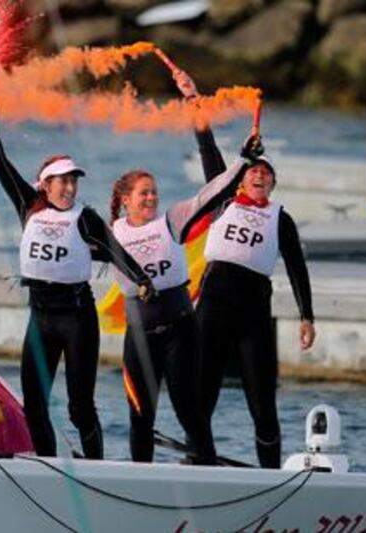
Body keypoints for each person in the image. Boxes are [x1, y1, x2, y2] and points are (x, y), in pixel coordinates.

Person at [0, 93, 156, 459]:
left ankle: (95, 468)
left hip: (77, 318)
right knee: (35, 404)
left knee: (80, 408)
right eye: (63, 181)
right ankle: (46, 465)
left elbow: (114, 252)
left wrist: (141, 279)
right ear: (45, 184)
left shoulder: (85, 217)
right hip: (40, 319)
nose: (70, 188)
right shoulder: (28, 206)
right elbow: (0, 164)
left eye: (74, 181)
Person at [108, 68, 254, 463]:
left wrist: (242, 162)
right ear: (124, 199)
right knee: (141, 415)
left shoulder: (171, 220)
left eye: (154, 192)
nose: (151, 198)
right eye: (143, 194)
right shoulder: (108, 234)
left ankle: (205, 476)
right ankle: (139, 481)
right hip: (139, 338)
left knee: (190, 413)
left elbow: (215, 189)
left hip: (179, 331)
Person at [197, 141, 316, 469]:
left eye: (267, 173)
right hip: (213, 307)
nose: (260, 175)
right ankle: (199, 462)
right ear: (240, 180)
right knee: (201, 397)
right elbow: (209, 153)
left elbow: (296, 267)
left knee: (262, 403)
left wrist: (307, 316)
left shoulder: (281, 219)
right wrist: (195, 106)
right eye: (253, 171)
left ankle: (270, 473)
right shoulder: (222, 201)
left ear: (273, 184)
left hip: (253, 314)